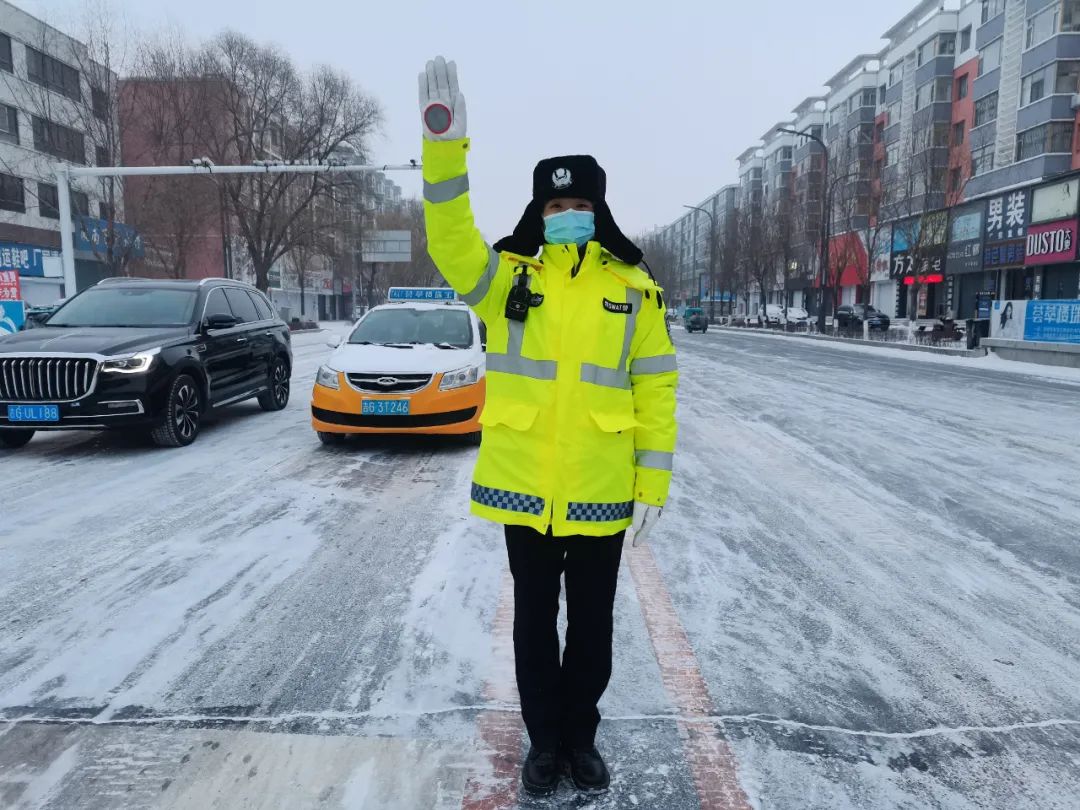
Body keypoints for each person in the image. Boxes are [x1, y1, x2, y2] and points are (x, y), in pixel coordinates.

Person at [418, 57, 678, 795]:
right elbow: (449, 243)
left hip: (599, 488)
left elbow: (656, 388)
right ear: (539, 208)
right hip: (523, 486)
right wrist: (444, 146)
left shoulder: (634, 289)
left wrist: (651, 479)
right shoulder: (506, 280)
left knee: (592, 633)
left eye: (580, 203)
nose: (567, 212)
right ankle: (543, 745)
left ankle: (579, 739)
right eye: (555, 203)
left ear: (598, 209)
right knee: (533, 630)